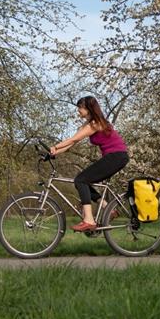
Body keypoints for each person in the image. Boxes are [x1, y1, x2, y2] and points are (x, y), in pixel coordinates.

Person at [51, 96, 129, 232]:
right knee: (83, 182)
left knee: (81, 180)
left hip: (116, 156)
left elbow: (73, 139)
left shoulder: (95, 124)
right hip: (115, 157)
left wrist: (55, 146)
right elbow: (72, 143)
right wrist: (53, 153)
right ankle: (109, 209)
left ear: (88, 109)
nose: (78, 111)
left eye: (80, 108)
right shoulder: (89, 124)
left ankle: (89, 220)